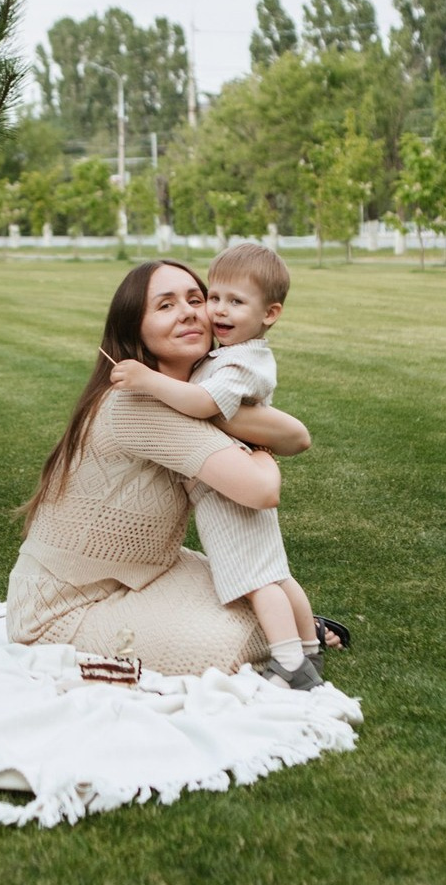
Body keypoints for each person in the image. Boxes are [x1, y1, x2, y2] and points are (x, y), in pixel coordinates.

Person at [7, 259, 313, 681]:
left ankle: (296, 637)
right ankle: (297, 640)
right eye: (165, 306)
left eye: (195, 299)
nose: (188, 311)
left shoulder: (189, 398)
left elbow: (298, 436)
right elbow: (262, 490)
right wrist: (262, 449)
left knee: (254, 588)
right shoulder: (140, 405)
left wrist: (240, 425)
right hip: (62, 609)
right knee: (231, 642)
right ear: (136, 330)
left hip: (149, 571)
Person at [107, 243, 325, 691]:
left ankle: (288, 663)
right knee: (276, 573)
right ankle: (308, 649)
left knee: (255, 580)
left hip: (227, 488)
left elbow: (205, 404)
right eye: (216, 297)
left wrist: (150, 381)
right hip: (234, 476)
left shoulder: (240, 362)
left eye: (236, 302)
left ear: (270, 313)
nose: (218, 312)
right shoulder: (234, 355)